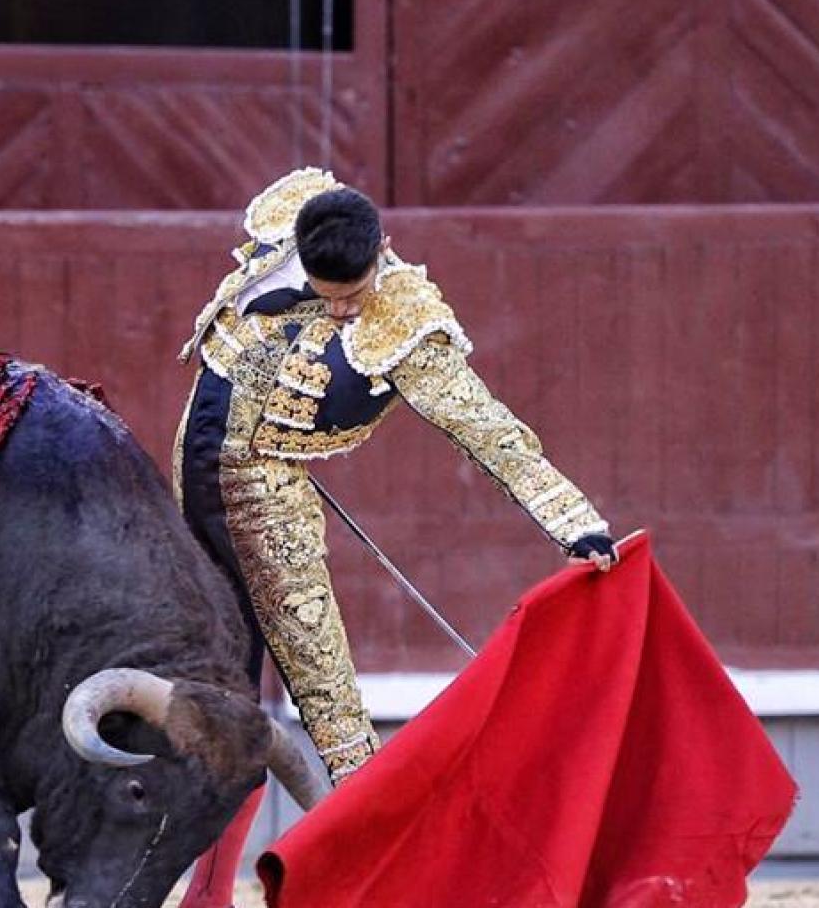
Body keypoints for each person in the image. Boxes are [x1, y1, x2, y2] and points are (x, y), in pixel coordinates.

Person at [172, 168, 618, 908]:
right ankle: (208, 895)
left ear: (381, 252)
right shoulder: (286, 226)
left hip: (269, 511)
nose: (342, 307)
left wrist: (575, 524)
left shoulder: (405, 319)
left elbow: (488, 428)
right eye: (326, 290)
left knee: (330, 705)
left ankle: (399, 883)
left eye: (352, 291)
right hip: (191, 482)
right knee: (223, 689)